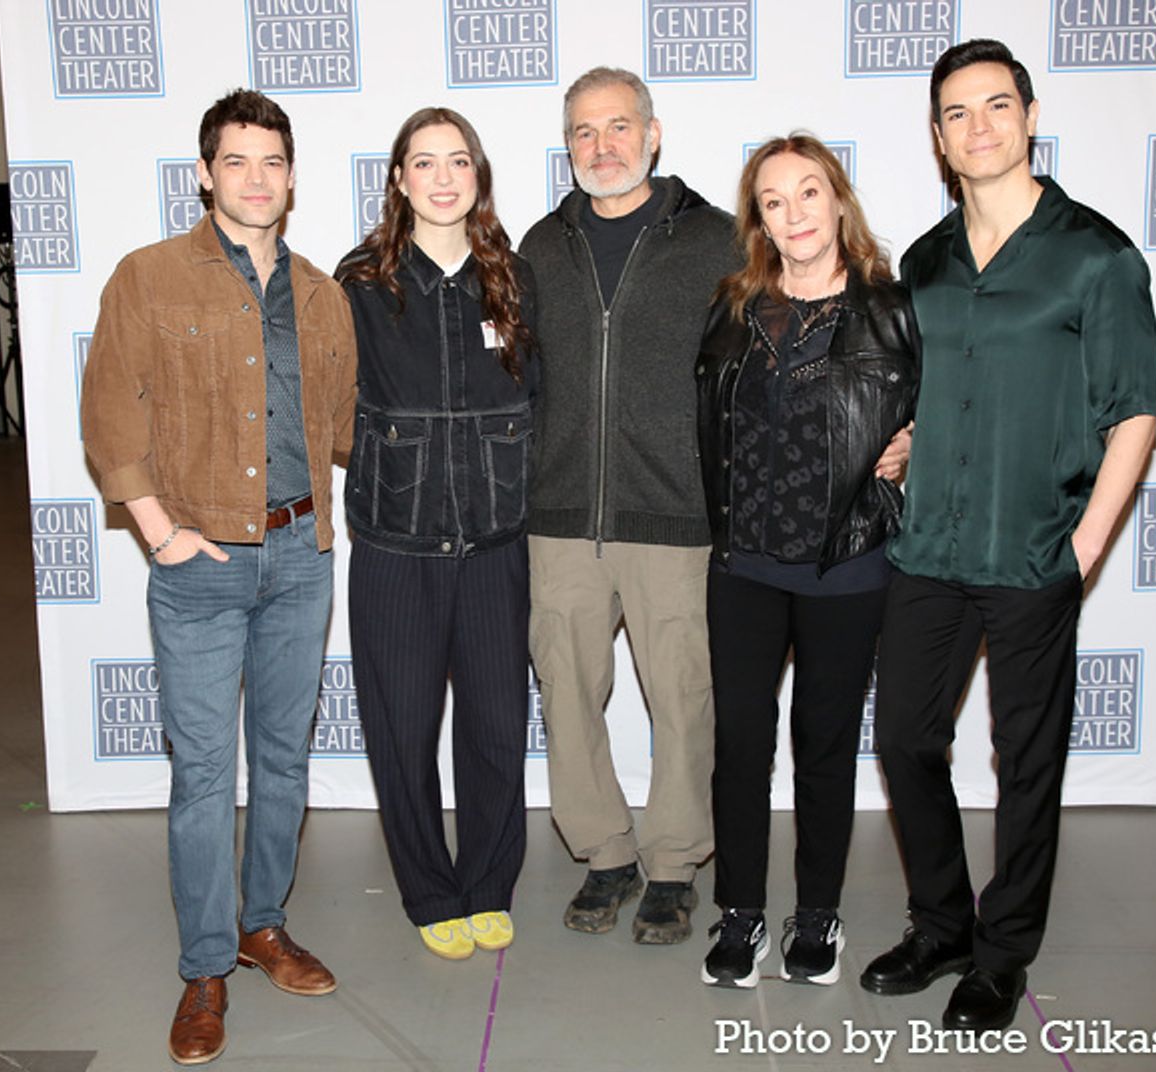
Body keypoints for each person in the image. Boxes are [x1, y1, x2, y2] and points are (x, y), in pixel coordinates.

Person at [859, 39, 1156, 1032]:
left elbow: (1133, 414)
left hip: (1035, 552)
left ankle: (1001, 952)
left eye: (995, 105)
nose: (977, 126)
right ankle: (940, 922)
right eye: (956, 112)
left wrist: (1081, 553)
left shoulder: (1095, 255)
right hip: (928, 550)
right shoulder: (924, 262)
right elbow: (929, 387)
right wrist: (905, 439)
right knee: (904, 739)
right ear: (937, 137)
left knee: (1025, 763)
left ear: (1028, 117)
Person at [81, 89, 358, 1065]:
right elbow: (111, 414)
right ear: (204, 174)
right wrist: (158, 532)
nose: (255, 178)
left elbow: (350, 428)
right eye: (235, 161)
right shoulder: (148, 278)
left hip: (298, 557)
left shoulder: (324, 294)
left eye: (271, 161)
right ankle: (205, 968)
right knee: (203, 775)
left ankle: (263, 924)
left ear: (291, 175)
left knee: (282, 761)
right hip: (197, 562)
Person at [518, 67, 738, 944]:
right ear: (566, 144)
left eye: (617, 127)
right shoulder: (537, 246)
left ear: (653, 133)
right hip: (562, 515)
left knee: (682, 695)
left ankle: (674, 864)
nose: (600, 147)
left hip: (675, 514)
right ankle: (605, 853)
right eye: (582, 132)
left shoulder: (719, 241)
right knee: (567, 690)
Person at [695, 136, 919, 988]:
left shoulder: (891, 309)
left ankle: (817, 915)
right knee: (740, 748)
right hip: (744, 564)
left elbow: (950, 409)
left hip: (848, 566)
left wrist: (918, 445)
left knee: (824, 748)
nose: (795, 214)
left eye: (809, 193)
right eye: (774, 200)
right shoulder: (732, 307)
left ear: (838, 202)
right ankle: (740, 914)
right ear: (759, 218)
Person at [335, 108, 537, 961]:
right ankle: (428, 890)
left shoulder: (517, 280)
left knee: (495, 727)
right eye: (426, 162)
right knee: (402, 730)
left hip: (496, 544)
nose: (444, 178)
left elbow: (549, 401)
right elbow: (327, 402)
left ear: (478, 175)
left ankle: (488, 884)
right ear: (399, 180)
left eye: (460, 161)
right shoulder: (360, 283)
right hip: (396, 546)